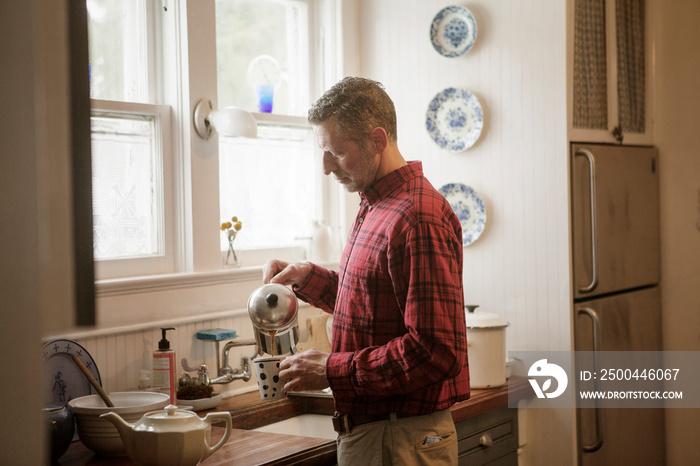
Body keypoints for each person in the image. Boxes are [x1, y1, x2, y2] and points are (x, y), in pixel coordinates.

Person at [262, 77, 469, 465]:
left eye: (336, 153)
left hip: (400, 437)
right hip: (383, 433)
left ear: (377, 140)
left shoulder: (417, 216)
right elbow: (374, 300)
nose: (326, 167)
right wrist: (307, 277)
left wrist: (331, 369)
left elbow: (435, 352)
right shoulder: (378, 203)